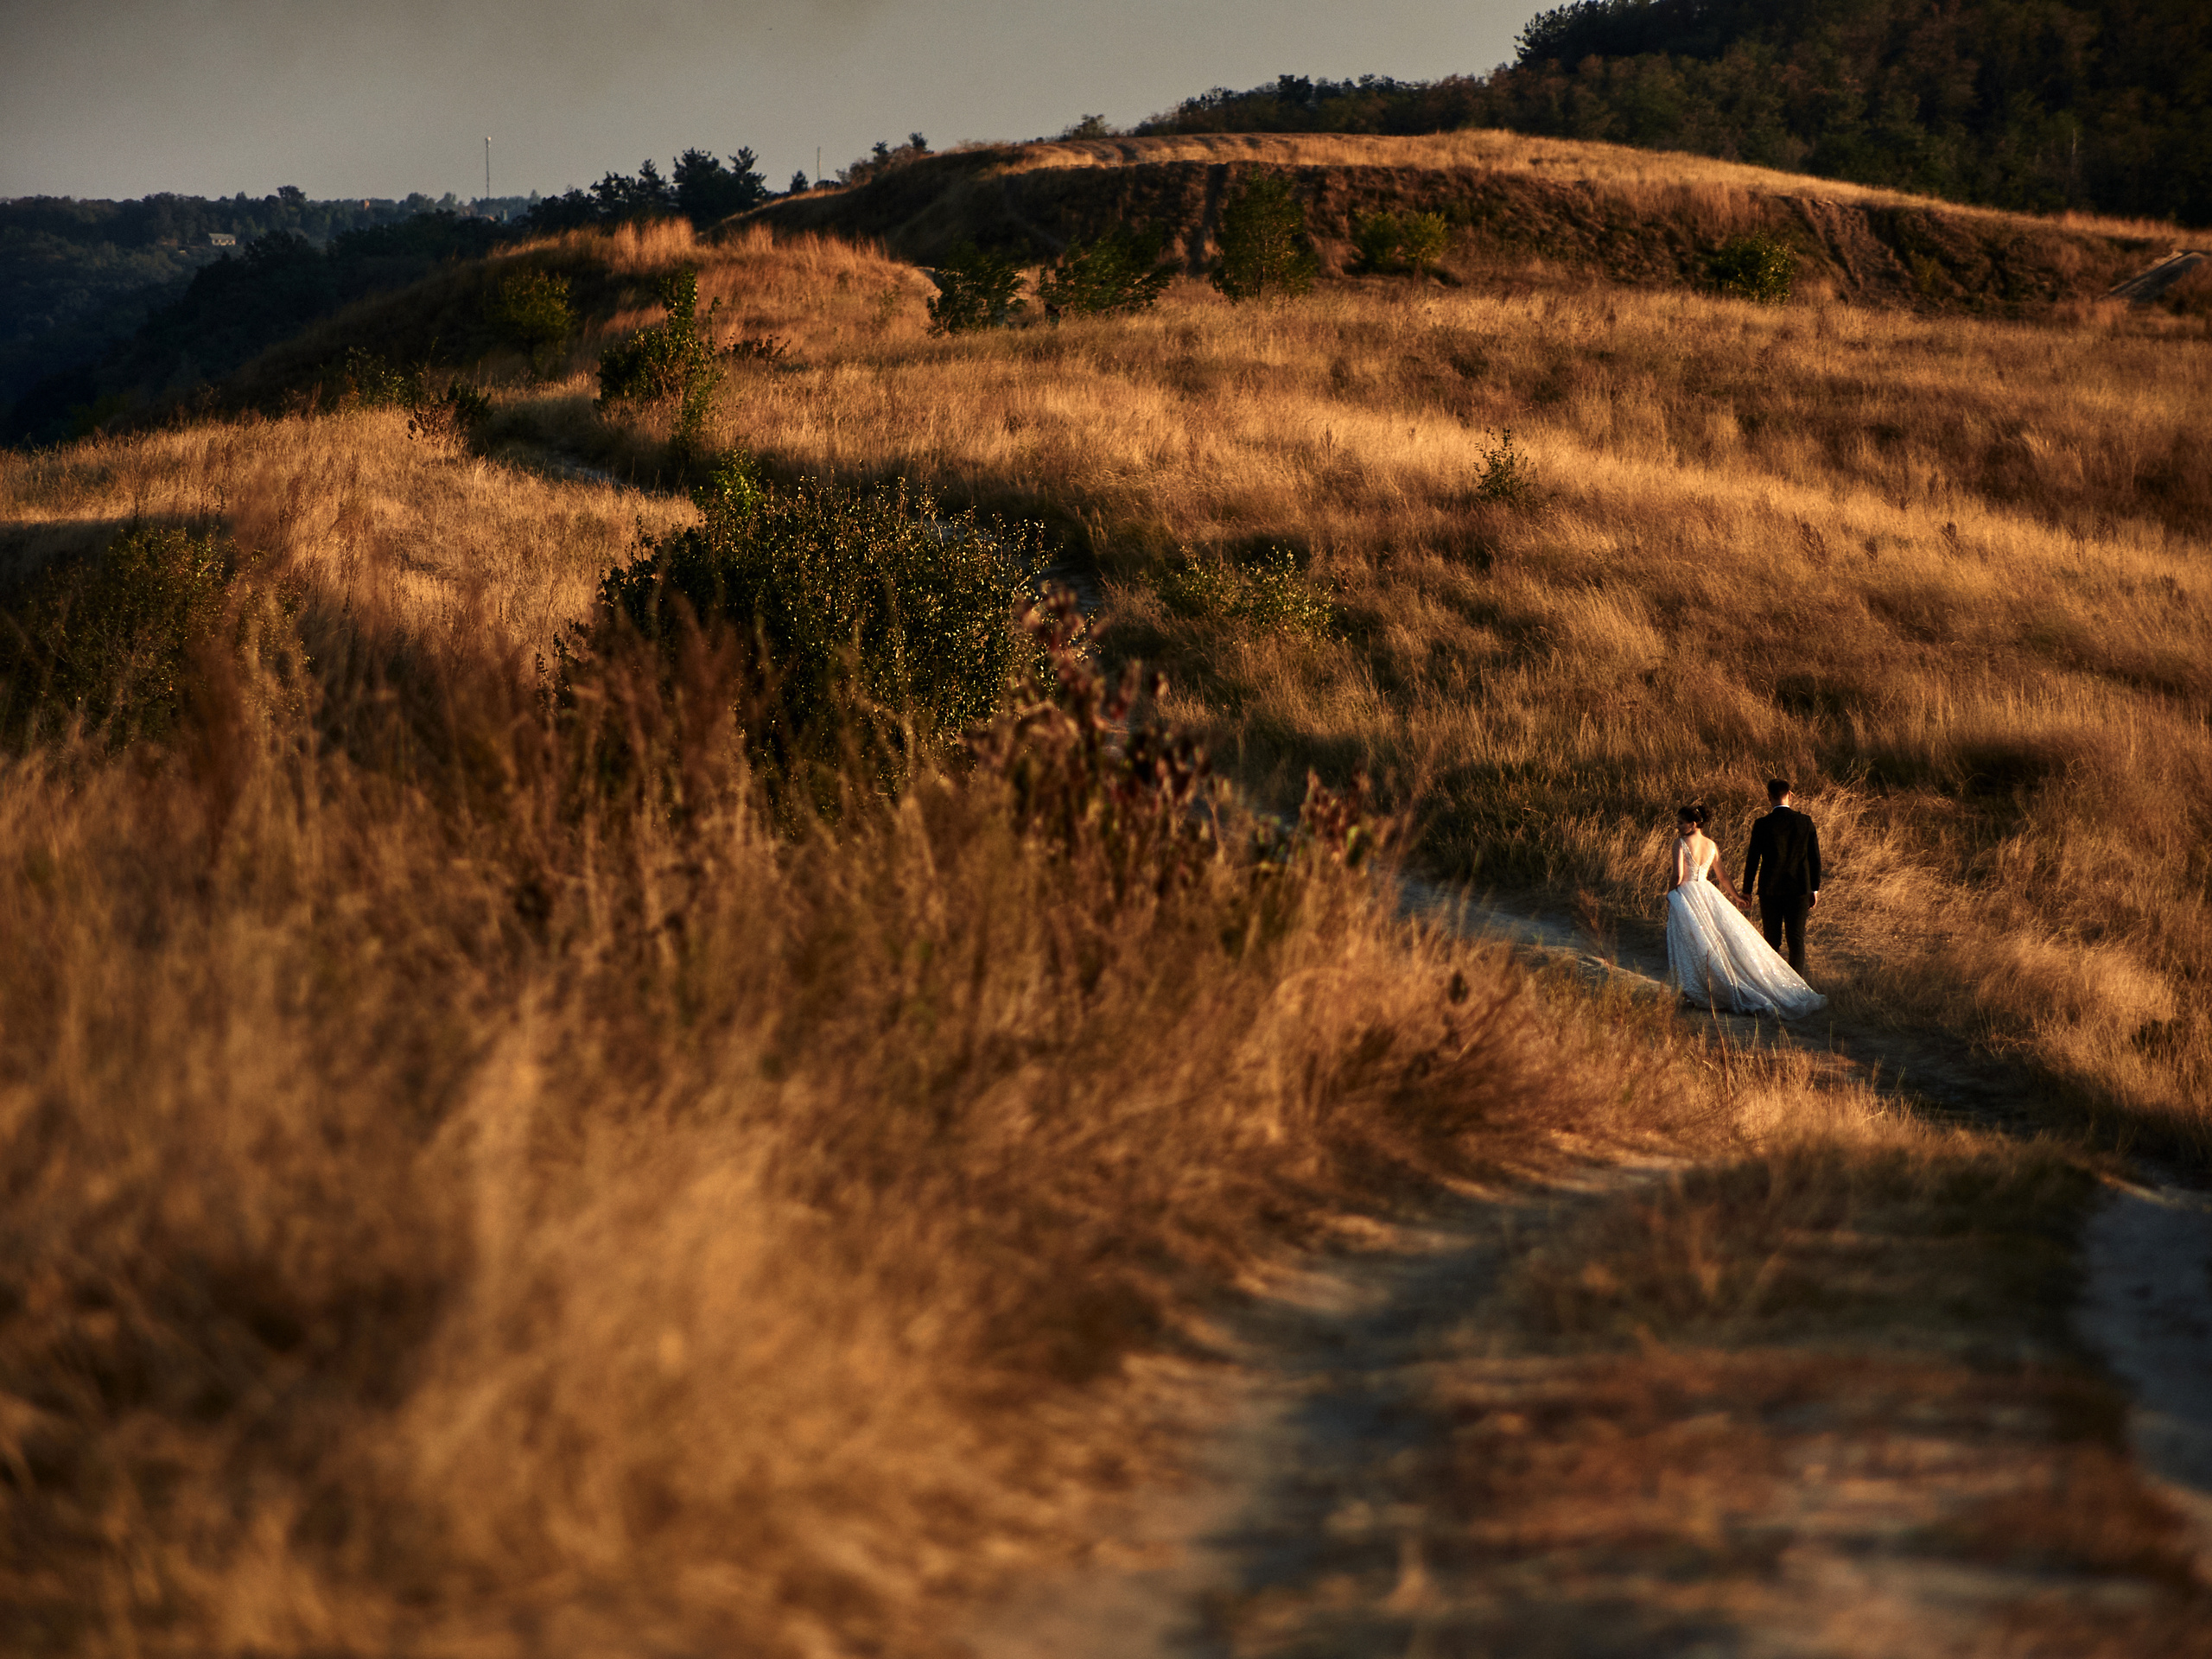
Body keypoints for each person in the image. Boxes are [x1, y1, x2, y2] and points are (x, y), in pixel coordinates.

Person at [1665, 802, 1826, 1018]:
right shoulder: (1711, 845)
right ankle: (1703, 988)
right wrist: (1736, 897)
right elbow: (1722, 876)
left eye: (1680, 822)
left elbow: (1677, 875)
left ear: (1693, 824)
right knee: (1713, 941)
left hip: (1686, 893)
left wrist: (1670, 893)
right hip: (1707, 892)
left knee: (1691, 941)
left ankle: (1694, 990)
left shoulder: (1681, 843)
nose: (1677, 826)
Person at [1742, 778, 1822, 975]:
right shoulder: (1804, 822)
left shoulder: (1762, 824)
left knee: (1772, 939)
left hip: (1770, 889)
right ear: (1790, 795)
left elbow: (1752, 859)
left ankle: (1774, 982)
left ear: (1768, 797)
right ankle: (1797, 985)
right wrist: (1814, 888)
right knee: (1796, 939)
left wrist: (1747, 890)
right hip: (1799, 888)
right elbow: (1815, 858)